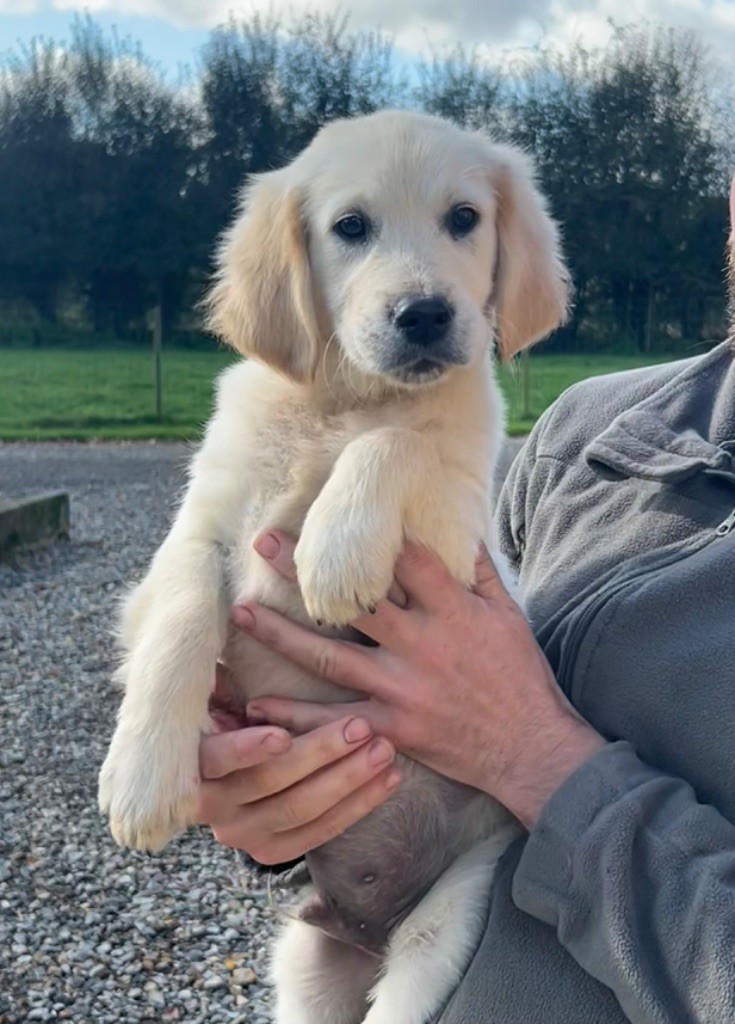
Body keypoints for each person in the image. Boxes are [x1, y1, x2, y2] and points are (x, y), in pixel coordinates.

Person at [196, 178, 735, 1023]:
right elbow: (431, 683)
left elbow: (499, 725)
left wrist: (536, 759)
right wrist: (286, 783)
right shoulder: (590, 428)